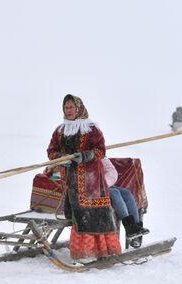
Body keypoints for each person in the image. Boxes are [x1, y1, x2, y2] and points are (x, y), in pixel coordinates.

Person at [47, 94, 121, 262]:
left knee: (95, 215)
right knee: (78, 214)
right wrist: (60, 158)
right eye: (66, 108)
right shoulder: (60, 130)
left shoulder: (91, 128)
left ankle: (100, 251)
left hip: (92, 180)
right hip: (71, 181)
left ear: (79, 108)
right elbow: (51, 151)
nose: (69, 110)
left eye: (72, 107)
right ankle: (84, 253)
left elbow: (101, 150)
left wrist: (86, 156)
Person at [102, 158, 149, 248]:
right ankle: (129, 227)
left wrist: (105, 183)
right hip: (92, 188)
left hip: (105, 185)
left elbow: (111, 171)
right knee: (115, 193)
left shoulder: (100, 156)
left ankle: (135, 228)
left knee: (126, 192)